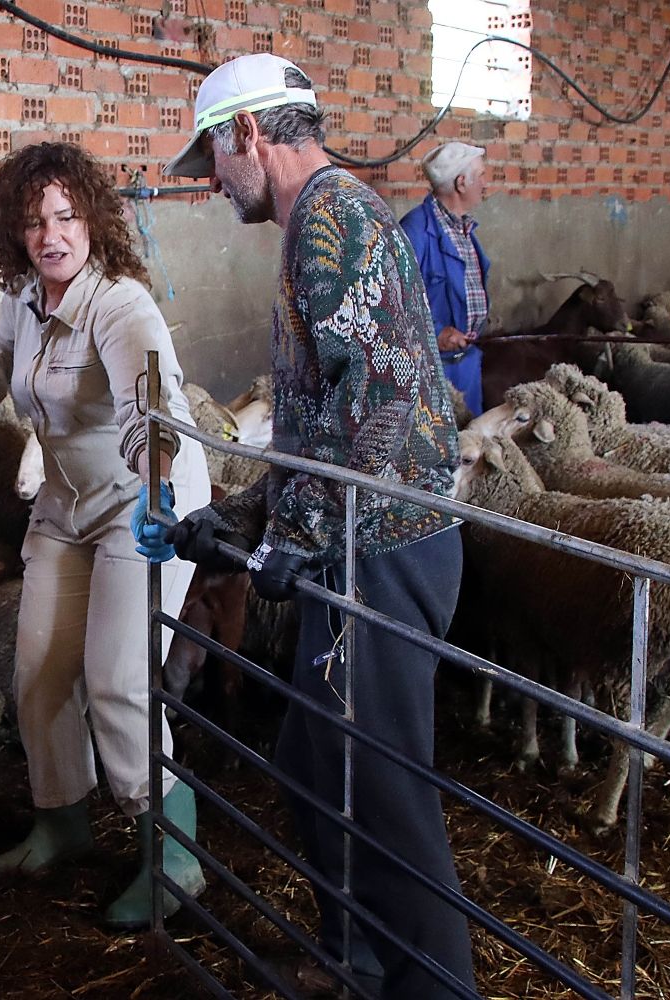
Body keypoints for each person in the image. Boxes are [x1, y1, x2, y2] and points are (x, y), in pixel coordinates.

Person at [162, 53, 476, 1000]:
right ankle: (363, 958)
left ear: (247, 134)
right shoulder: (321, 222)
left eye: (213, 157)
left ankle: (431, 988)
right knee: (310, 761)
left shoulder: (330, 219)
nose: (213, 181)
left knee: (383, 791)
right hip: (355, 537)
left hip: (381, 547)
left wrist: (290, 538)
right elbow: (324, 416)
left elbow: (380, 410)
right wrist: (249, 513)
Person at [0, 141, 210, 929]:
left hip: (144, 504)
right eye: (34, 222)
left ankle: (172, 851)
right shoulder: (24, 300)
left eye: (66, 216)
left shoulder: (121, 306)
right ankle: (60, 819)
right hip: (66, 508)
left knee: (117, 680)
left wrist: (157, 485)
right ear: (16, 233)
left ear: (93, 219)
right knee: (38, 672)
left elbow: (149, 411)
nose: (51, 235)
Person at [399, 141, 491, 415]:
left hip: (467, 364)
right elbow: (393, 300)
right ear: (462, 183)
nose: (486, 183)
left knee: (467, 448)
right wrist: (437, 332)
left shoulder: (464, 229)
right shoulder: (415, 230)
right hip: (432, 370)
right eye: (482, 175)